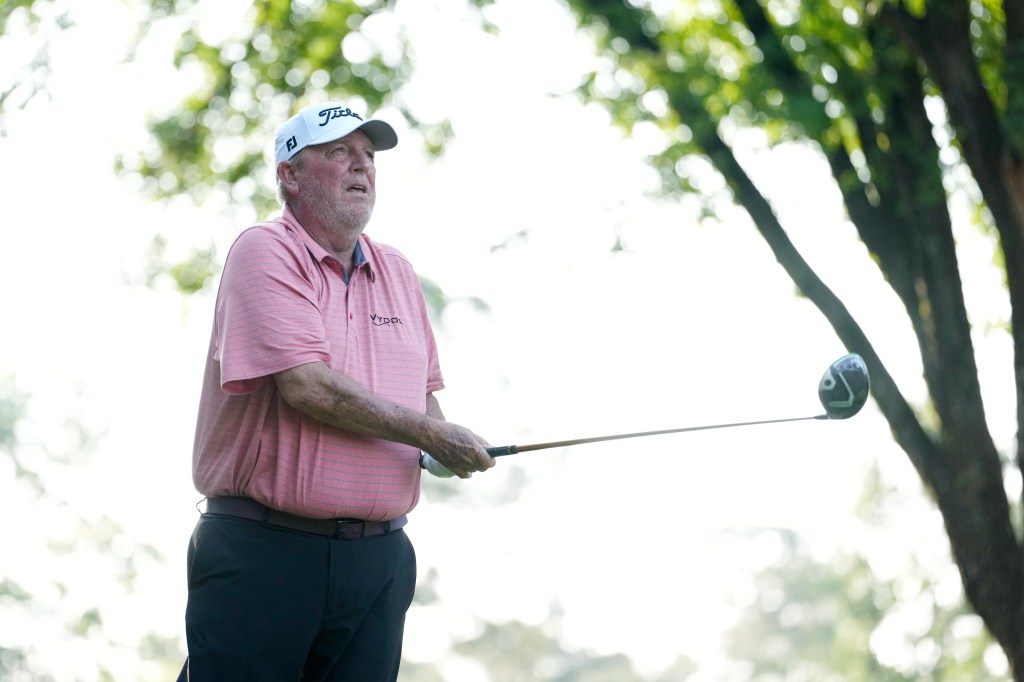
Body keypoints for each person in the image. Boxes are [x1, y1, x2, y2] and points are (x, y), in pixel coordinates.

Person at [177, 101, 495, 681]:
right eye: (338, 152)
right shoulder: (265, 250)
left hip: (380, 560)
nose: (361, 167)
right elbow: (307, 386)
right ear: (289, 176)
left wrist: (438, 447)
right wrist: (432, 434)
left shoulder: (397, 269)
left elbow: (423, 394)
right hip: (265, 549)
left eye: (369, 156)